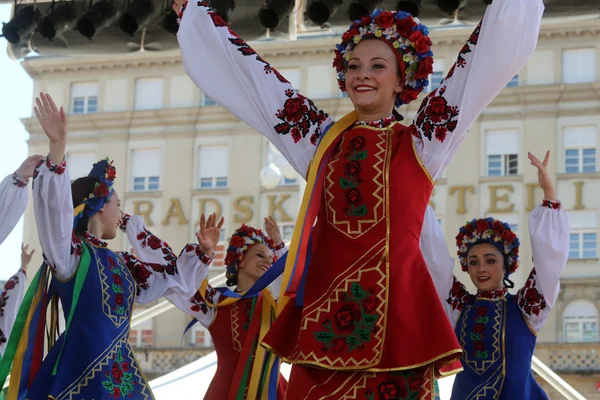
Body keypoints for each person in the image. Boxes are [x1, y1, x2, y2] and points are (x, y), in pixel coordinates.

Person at [174, 0, 544, 396]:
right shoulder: (321, 140)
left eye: (377, 66)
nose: (362, 74)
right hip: (326, 327)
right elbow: (258, 84)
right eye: (354, 66)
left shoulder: (423, 142)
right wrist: (196, 16)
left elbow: (478, 70)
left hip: (399, 326)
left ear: (403, 80)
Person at [2, 93, 218, 400]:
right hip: (79, 373)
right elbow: (56, 217)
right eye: (118, 204)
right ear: (100, 206)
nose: (122, 214)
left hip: (121, 377)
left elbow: (174, 281)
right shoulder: (72, 255)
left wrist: (204, 252)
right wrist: (58, 148)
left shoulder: (122, 264)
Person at [428, 151, 569, 398]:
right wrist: (420, 193)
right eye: (473, 262)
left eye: (490, 260)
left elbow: (549, 265)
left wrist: (549, 195)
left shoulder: (527, 307)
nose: (481, 268)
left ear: (507, 265)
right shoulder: (458, 304)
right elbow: (433, 258)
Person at [170, 216, 288, 399]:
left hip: (272, 392)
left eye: (271, 259)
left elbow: (292, 285)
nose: (267, 261)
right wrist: (206, 253)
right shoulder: (218, 302)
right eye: (259, 255)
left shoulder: (275, 303)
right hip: (226, 392)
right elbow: (181, 284)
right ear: (240, 260)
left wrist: (280, 246)